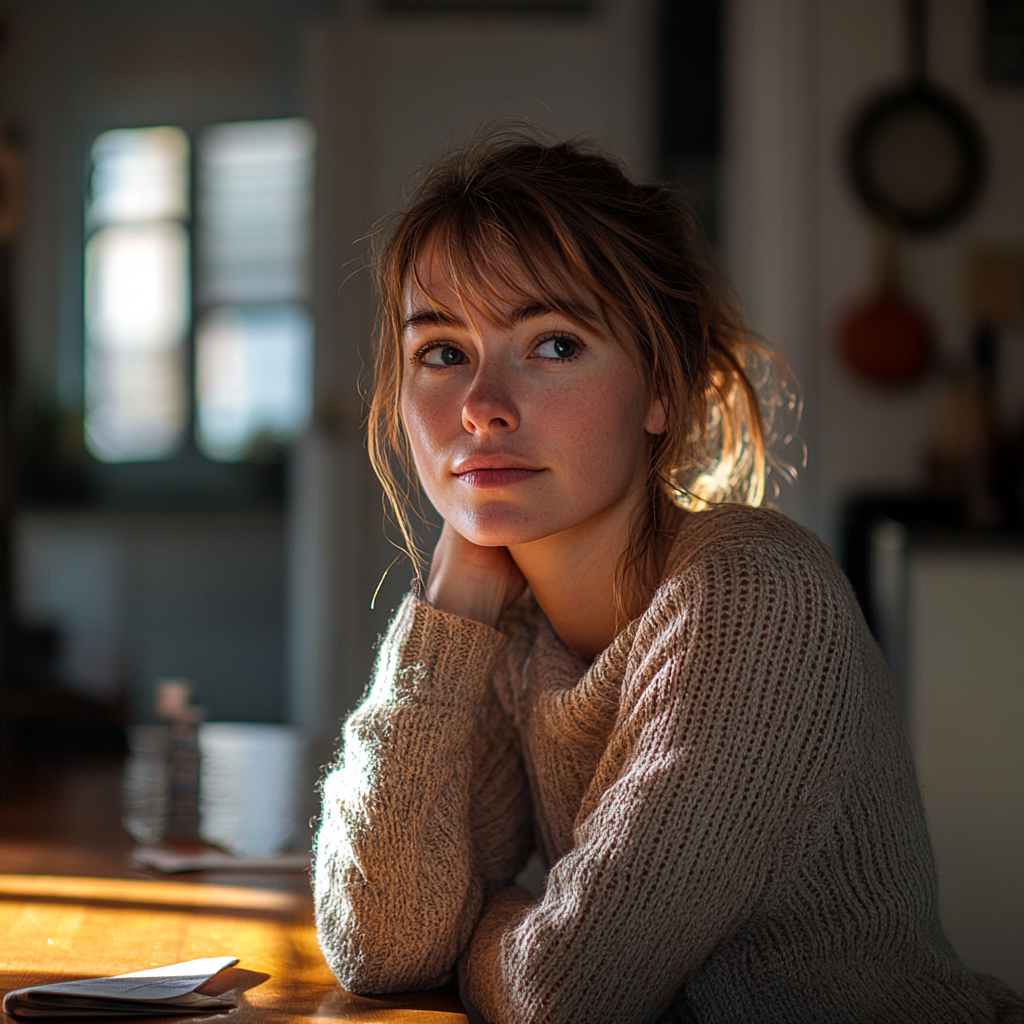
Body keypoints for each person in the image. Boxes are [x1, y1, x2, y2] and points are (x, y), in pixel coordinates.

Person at [313, 133, 1023, 1024]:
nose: (481, 405)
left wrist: (484, 930)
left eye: (555, 344)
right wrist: (447, 615)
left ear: (661, 389)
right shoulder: (507, 628)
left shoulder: (753, 596)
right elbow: (383, 943)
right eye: (443, 352)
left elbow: (566, 995)